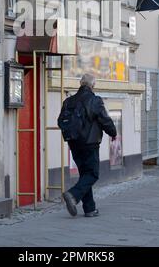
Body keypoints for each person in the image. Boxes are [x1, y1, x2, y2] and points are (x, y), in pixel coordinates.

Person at [59, 73, 117, 218]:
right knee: (92, 174)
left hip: (74, 142)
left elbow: (60, 121)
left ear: (80, 84)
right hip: (90, 143)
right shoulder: (94, 100)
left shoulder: (68, 101)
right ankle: (72, 195)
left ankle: (89, 208)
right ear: (93, 85)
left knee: (85, 174)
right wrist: (113, 133)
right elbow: (105, 120)